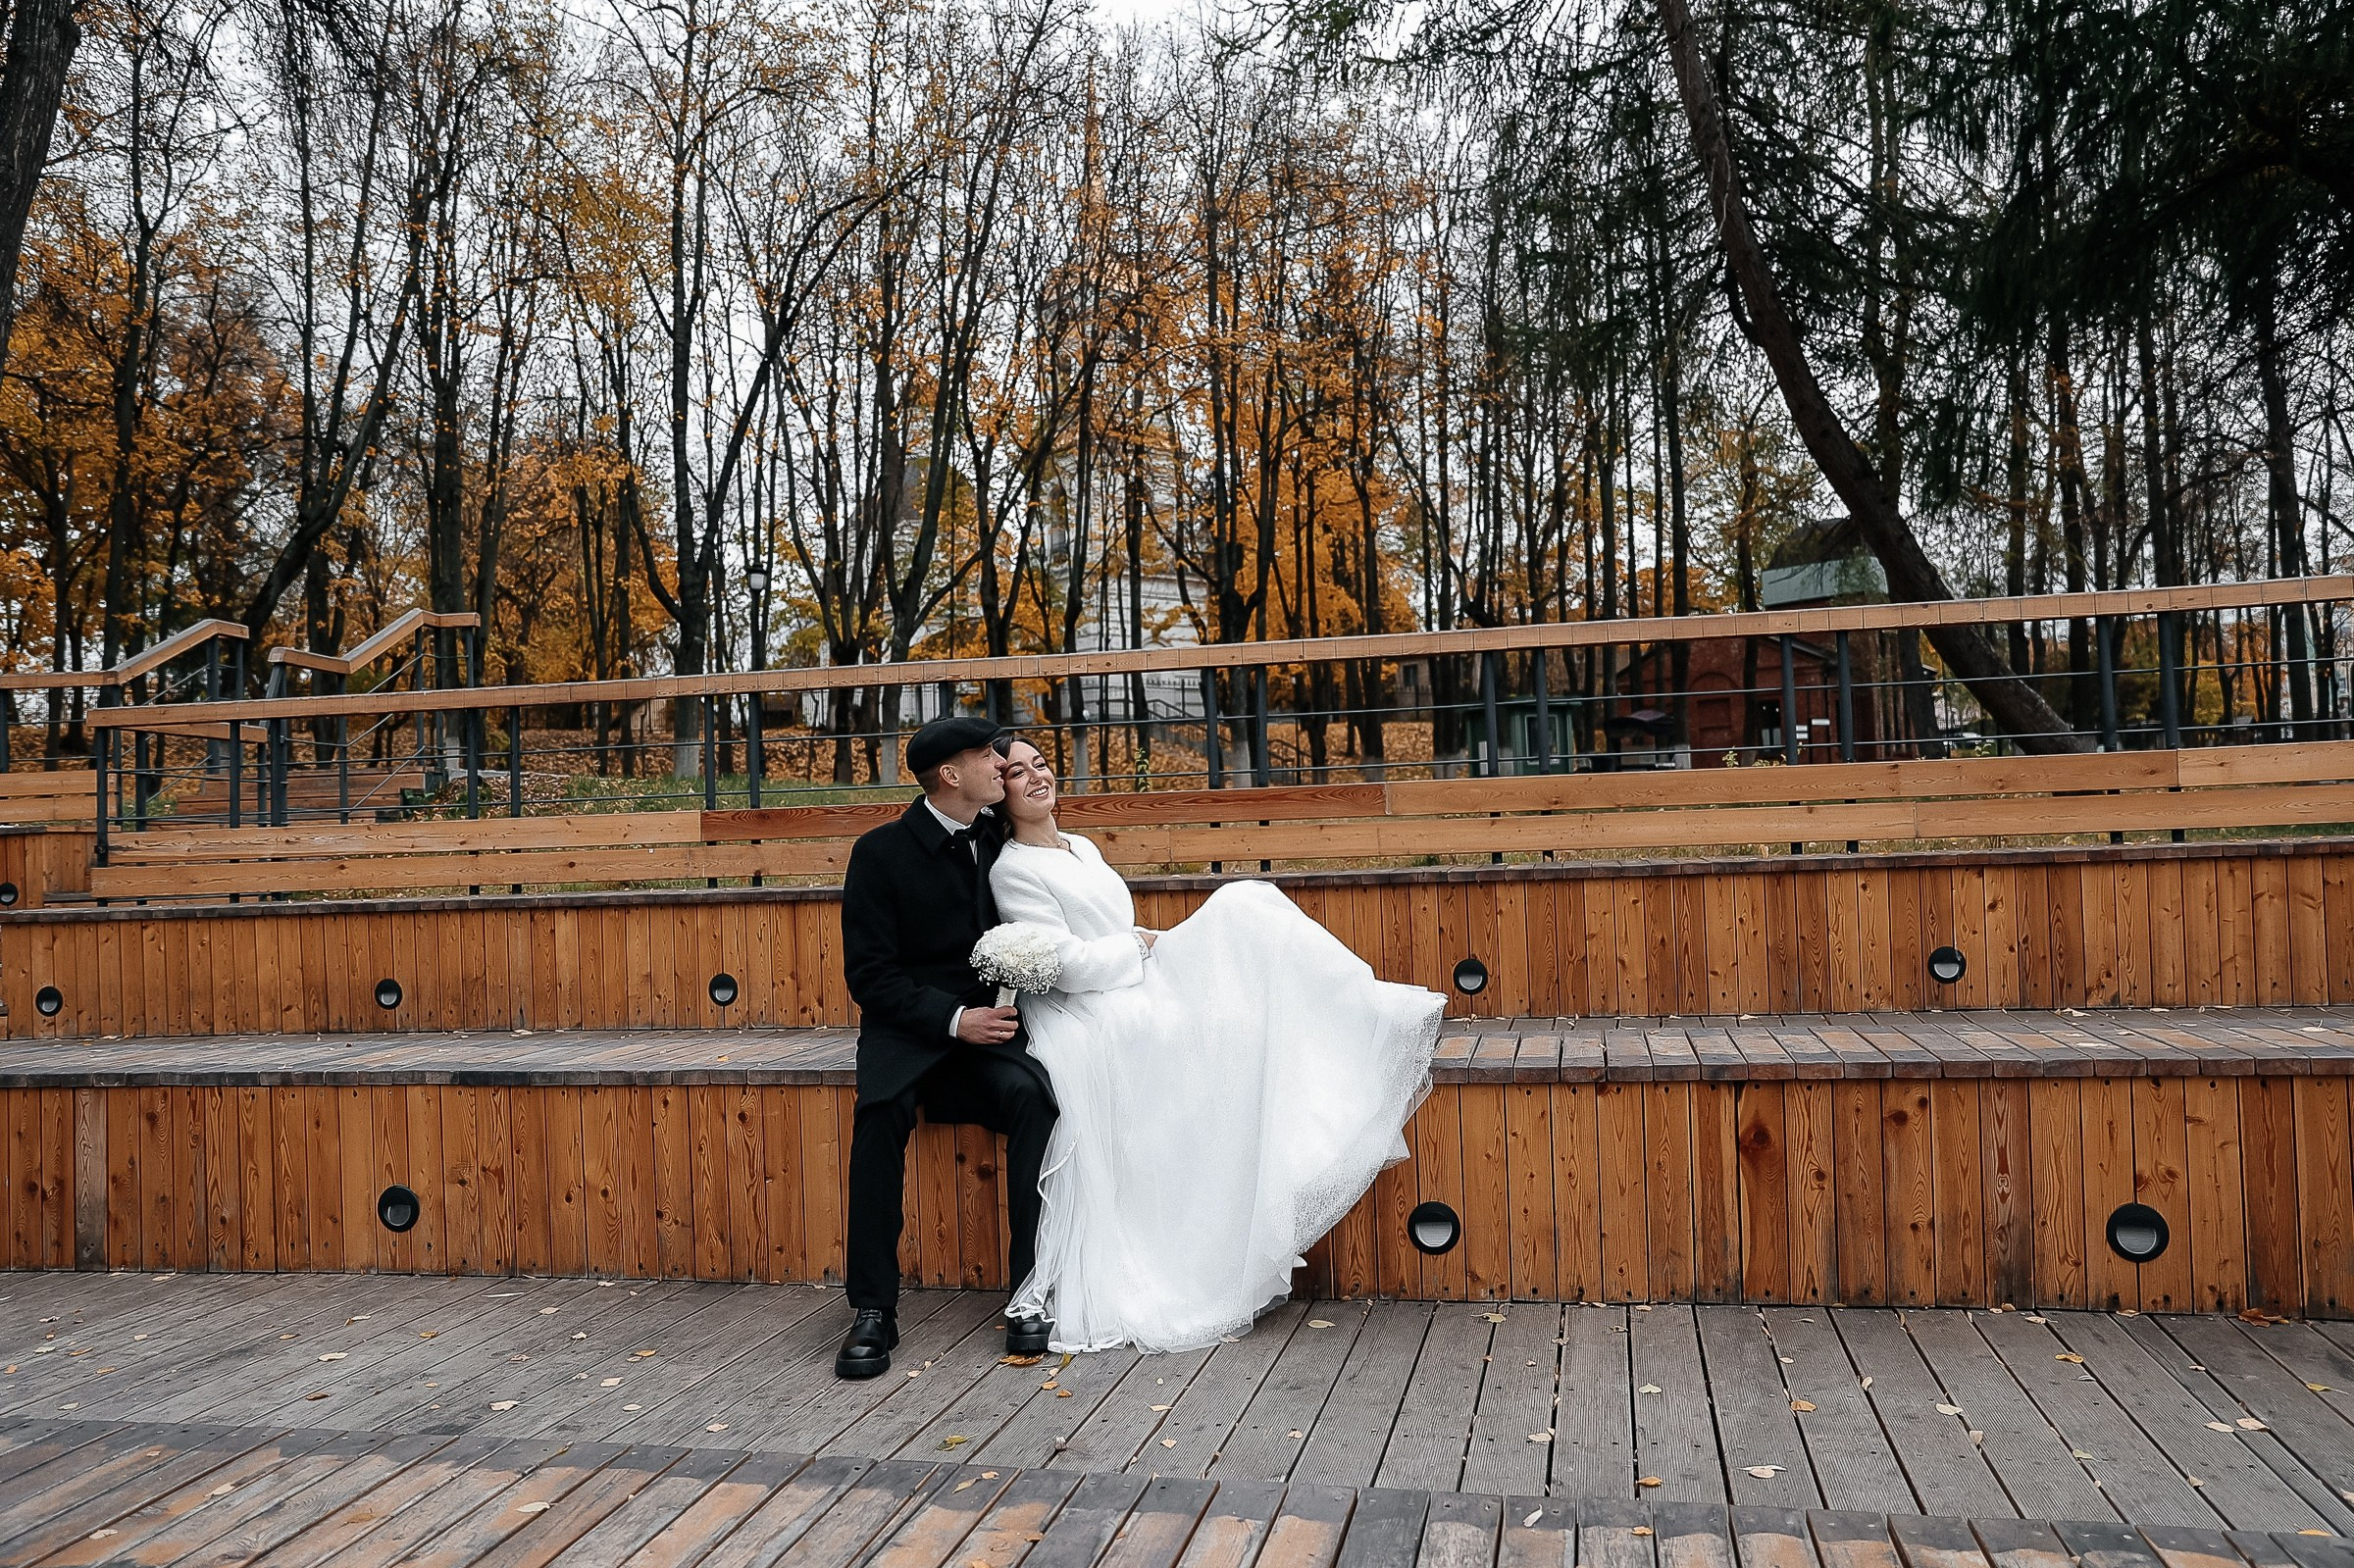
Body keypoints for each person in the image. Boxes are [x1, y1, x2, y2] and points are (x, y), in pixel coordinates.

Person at [986, 734, 1442, 1353]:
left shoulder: (1083, 847)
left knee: (1249, 907)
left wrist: (1142, 943)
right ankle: (1363, 1012)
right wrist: (1140, 948)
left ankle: (1361, 1010)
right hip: (1101, 1003)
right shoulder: (1012, 869)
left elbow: (1113, 926)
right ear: (999, 792)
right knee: (1239, 907)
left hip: (1135, 967)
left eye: (1040, 764)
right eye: (1016, 773)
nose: (1036, 777)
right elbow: (1062, 964)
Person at [834, 716, 1057, 1379]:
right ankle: (873, 1307)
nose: (1000, 762)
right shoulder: (878, 854)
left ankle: (1029, 1293)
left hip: (987, 1043)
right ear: (951, 775)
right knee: (877, 1120)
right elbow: (869, 975)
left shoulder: (996, 836)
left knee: (1035, 1099)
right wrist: (954, 1017)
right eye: (987, 755)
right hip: (910, 1036)